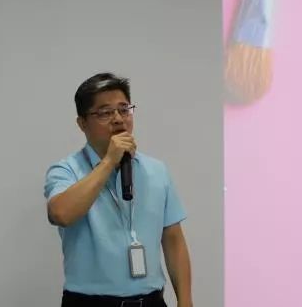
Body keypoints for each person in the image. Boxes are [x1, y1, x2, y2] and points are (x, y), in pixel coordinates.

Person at [44, 72, 193, 307]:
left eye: (124, 109)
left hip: (151, 301)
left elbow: (174, 240)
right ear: (82, 123)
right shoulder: (66, 170)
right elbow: (60, 214)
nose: (118, 119)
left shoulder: (156, 170)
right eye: (105, 112)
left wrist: (186, 302)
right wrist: (108, 162)